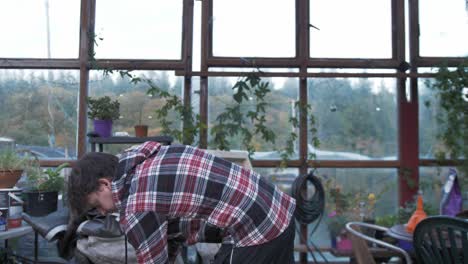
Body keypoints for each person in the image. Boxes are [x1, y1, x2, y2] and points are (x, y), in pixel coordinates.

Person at [68, 141, 296, 264]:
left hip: (259, 229)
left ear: (104, 185)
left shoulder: (138, 203)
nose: (103, 212)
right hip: (277, 211)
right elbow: (172, 233)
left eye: (96, 206)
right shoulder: (144, 160)